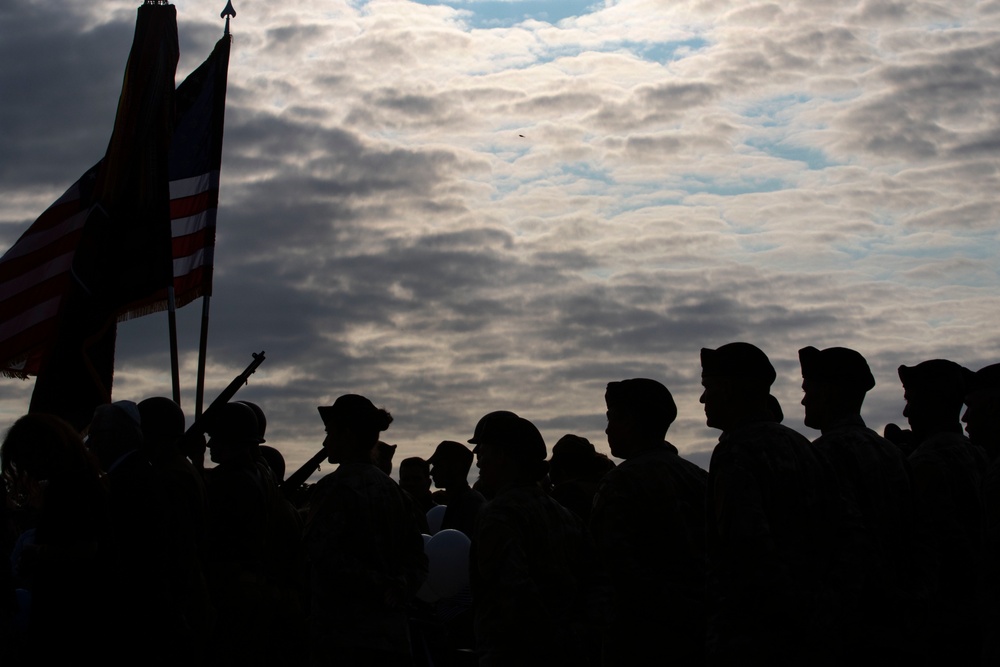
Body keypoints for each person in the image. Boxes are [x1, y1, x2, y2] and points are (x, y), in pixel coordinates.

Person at [700, 342, 849, 666]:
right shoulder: (802, 446)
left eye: (708, 387)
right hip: (816, 627)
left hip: (757, 636)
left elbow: (746, 549)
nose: (703, 399)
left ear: (728, 390)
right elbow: (846, 534)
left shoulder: (736, 451)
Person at [798, 346, 924, 662]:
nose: (804, 400)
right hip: (899, 619)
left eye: (809, 389)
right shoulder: (891, 453)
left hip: (851, 627)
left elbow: (846, 545)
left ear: (830, 392)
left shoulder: (823, 454)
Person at [468, 410, 604, 667]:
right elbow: (595, 586)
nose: (478, 464)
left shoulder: (498, 515)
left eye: (483, 454)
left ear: (503, 458)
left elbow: (510, 593)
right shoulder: (565, 515)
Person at [303, 394, 427, 667]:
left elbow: (321, 554)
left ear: (346, 435)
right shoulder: (396, 493)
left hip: (343, 639)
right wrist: (398, 586)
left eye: (329, 433)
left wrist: (378, 584)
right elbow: (418, 560)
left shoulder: (333, 488)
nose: (325, 442)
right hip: (392, 638)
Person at [590, 378, 707, 666]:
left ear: (631, 421)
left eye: (612, 418)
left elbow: (611, 570)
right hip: (699, 635)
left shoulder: (621, 482)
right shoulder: (699, 479)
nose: (607, 429)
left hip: (639, 640)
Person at [899, 359, 988, 665]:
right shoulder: (978, 455)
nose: (906, 413)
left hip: (943, 625)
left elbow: (931, 553)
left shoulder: (924, 464)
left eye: (911, 400)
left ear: (933, 402)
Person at [428, 441, 486, 538]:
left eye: (438, 465)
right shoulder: (459, 501)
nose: (432, 472)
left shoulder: (470, 504)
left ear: (455, 467)